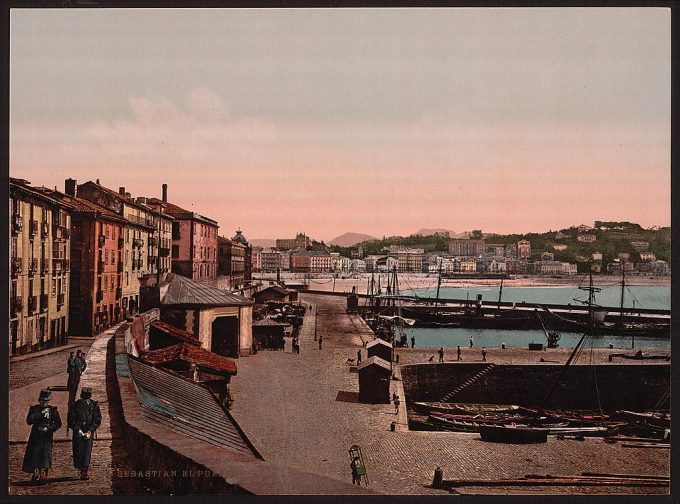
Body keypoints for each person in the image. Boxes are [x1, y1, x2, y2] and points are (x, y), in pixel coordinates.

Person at [22, 389, 62, 483]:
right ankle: (35, 472)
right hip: (35, 435)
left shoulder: (53, 410)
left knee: (45, 455)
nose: (43, 403)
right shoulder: (34, 409)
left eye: (46, 401)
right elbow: (29, 421)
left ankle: (43, 474)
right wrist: (41, 413)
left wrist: (49, 428)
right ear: (39, 400)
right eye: (42, 401)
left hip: (46, 436)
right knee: (34, 454)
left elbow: (58, 423)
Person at [68, 387, 102, 480]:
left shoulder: (94, 405)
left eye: (87, 399)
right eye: (84, 399)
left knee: (87, 451)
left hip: (88, 430)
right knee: (78, 450)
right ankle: (79, 467)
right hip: (78, 430)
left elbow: (97, 419)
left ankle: (84, 471)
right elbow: (71, 420)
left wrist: (90, 431)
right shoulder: (75, 405)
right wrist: (78, 430)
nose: (86, 400)